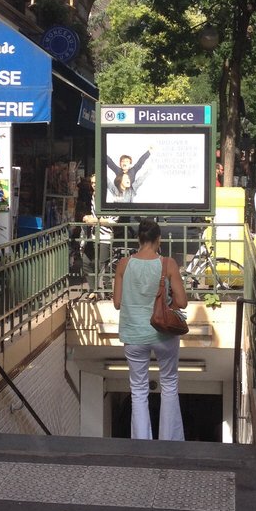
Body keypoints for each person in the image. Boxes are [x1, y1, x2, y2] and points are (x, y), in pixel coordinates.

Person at [113, 218, 188, 441]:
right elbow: (182, 302)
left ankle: (141, 443)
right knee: (169, 384)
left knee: (137, 390)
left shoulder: (124, 264)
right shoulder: (168, 264)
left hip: (133, 334)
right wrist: (168, 305)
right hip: (163, 333)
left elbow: (117, 303)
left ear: (139, 238)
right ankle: (170, 442)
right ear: (159, 240)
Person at [81, 174, 117, 294]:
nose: (94, 185)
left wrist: (95, 221)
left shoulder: (110, 197)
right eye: (92, 183)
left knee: (103, 266)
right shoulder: (94, 195)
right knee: (86, 262)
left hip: (105, 237)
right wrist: (90, 217)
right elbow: (96, 216)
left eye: (96, 182)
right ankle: (94, 290)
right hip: (94, 235)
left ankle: (107, 292)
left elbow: (113, 220)